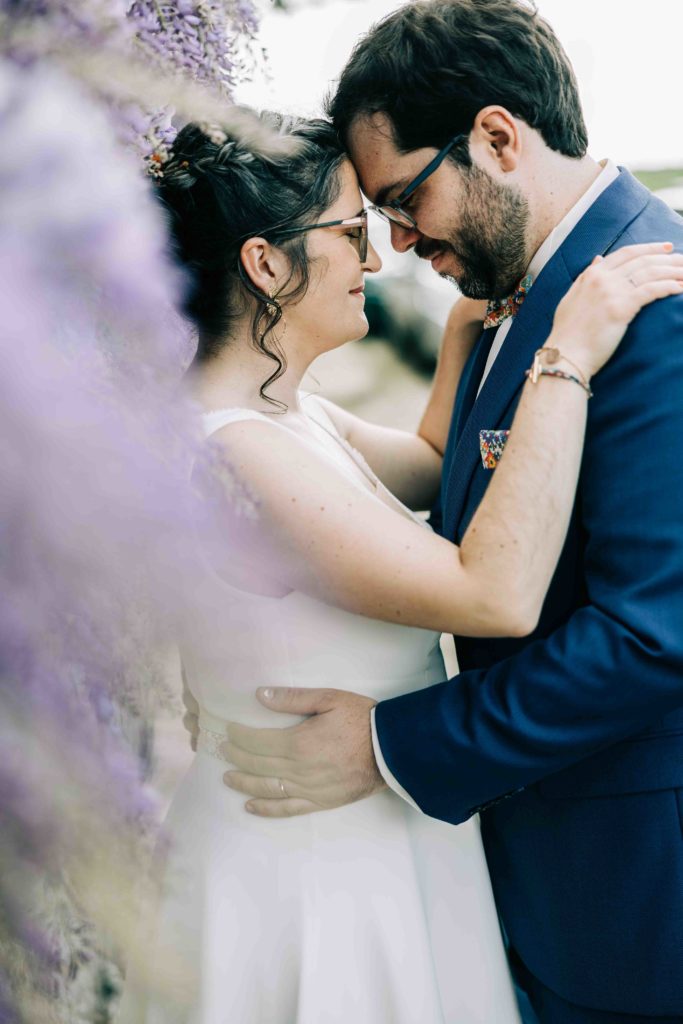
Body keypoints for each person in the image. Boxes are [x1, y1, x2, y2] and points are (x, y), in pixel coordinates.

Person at [119, 111, 682, 1024]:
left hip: (376, 837)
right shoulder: (237, 452)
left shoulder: (282, 414)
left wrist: (474, 320)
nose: (378, 258)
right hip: (311, 872)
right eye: (350, 233)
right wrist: (563, 356)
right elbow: (489, 592)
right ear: (265, 265)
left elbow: (431, 460)